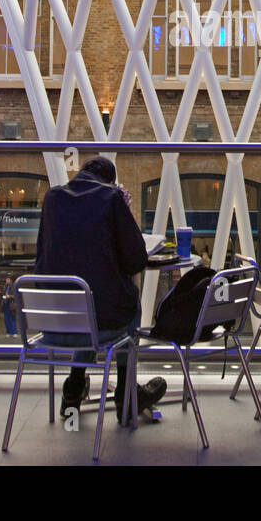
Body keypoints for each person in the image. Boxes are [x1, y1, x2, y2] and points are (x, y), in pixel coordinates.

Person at [34, 157, 166, 416]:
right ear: (110, 181)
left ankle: (73, 388)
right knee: (128, 305)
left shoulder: (52, 199)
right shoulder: (110, 198)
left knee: (85, 304)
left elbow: (44, 255)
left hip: (52, 325)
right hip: (98, 324)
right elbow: (136, 260)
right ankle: (127, 396)